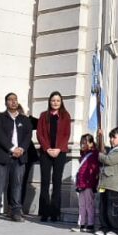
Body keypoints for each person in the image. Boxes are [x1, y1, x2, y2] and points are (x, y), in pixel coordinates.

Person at [0, 92, 31, 223]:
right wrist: (12, 148)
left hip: (19, 158)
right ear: (6, 102)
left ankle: (16, 211)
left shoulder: (24, 120)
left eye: (15, 99)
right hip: (2, 157)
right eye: (10, 100)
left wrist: (21, 149)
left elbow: (28, 136)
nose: (13, 102)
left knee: (17, 185)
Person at [35, 91, 72, 222]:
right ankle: (44, 212)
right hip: (46, 152)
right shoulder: (43, 116)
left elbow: (66, 135)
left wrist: (58, 149)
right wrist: (47, 148)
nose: (55, 103)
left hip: (60, 152)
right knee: (45, 182)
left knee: (57, 182)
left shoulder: (65, 116)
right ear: (49, 102)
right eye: (53, 100)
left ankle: (55, 212)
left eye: (57, 100)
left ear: (61, 102)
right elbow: (40, 134)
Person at [96, 128, 118, 235]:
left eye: (114, 137)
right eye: (110, 137)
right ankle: (104, 227)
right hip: (105, 183)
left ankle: (116, 228)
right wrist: (100, 139)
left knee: (114, 208)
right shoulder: (114, 149)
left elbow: (108, 160)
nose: (111, 140)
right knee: (103, 207)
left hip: (114, 184)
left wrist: (99, 155)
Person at [70, 133, 99, 233]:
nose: (82, 145)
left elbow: (94, 170)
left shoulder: (94, 154)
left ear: (91, 143)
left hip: (88, 184)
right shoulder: (83, 155)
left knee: (89, 205)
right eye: (81, 143)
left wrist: (91, 182)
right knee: (81, 204)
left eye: (85, 143)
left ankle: (90, 224)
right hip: (81, 183)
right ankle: (81, 223)